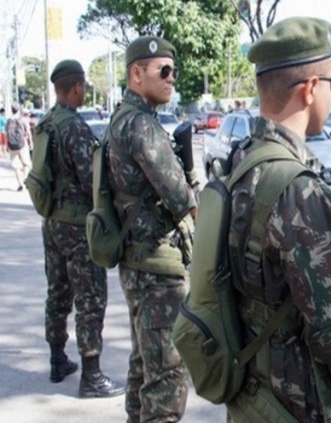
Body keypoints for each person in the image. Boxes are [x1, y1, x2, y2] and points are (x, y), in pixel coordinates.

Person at [224, 16, 331, 421]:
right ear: (312, 88)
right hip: (299, 405)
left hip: (251, 398)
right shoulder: (297, 188)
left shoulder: (241, 163)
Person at [108, 36, 198, 423]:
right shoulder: (142, 126)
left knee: (144, 366)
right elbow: (183, 200)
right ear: (136, 73)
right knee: (166, 381)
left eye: (173, 71)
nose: (171, 78)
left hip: (136, 263)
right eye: (163, 71)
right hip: (157, 269)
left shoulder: (121, 119)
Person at [39, 59, 124, 398]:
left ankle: (57, 360)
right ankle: (91, 376)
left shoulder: (45, 124)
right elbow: (93, 178)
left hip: (51, 222)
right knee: (90, 297)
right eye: (84, 86)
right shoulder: (73, 126)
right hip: (76, 227)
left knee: (57, 292)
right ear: (76, 87)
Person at [6, 103, 32, 191]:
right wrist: (31, 142)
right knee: (27, 164)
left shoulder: (9, 120)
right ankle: (25, 179)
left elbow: (7, 134)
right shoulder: (23, 120)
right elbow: (28, 132)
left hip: (12, 145)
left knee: (16, 165)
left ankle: (20, 183)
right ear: (19, 110)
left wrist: (7, 145)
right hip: (22, 144)